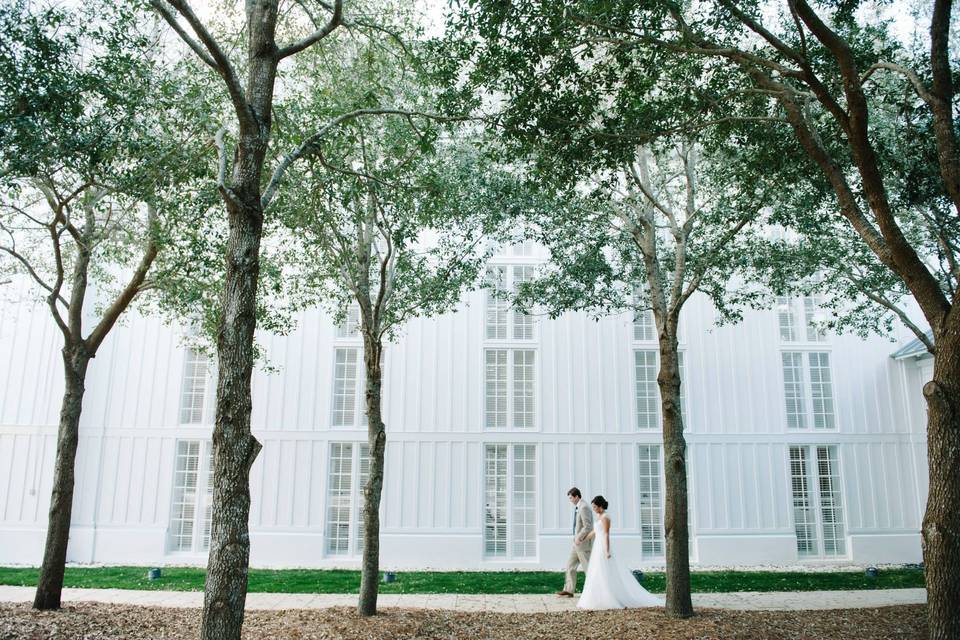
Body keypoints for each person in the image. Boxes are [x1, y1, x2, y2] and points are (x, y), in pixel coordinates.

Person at [577, 495, 662, 609]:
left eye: (595, 506)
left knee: (603, 571)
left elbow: (606, 534)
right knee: (596, 571)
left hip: (603, 546)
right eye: (592, 506)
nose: (593, 509)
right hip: (597, 546)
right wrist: (583, 539)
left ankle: (608, 597)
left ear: (600, 506)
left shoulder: (605, 517)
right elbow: (595, 531)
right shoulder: (599, 516)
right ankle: (596, 597)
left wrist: (607, 551)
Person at [556, 486, 592, 597]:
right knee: (570, 566)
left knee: (588, 569)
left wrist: (579, 538)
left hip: (583, 544)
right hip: (576, 544)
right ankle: (569, 590)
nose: (570, 500)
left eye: (571, 498)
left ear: (577, 496)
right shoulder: (578, 506)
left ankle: (594, 591)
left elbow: (588, 526)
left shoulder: (584, 507)